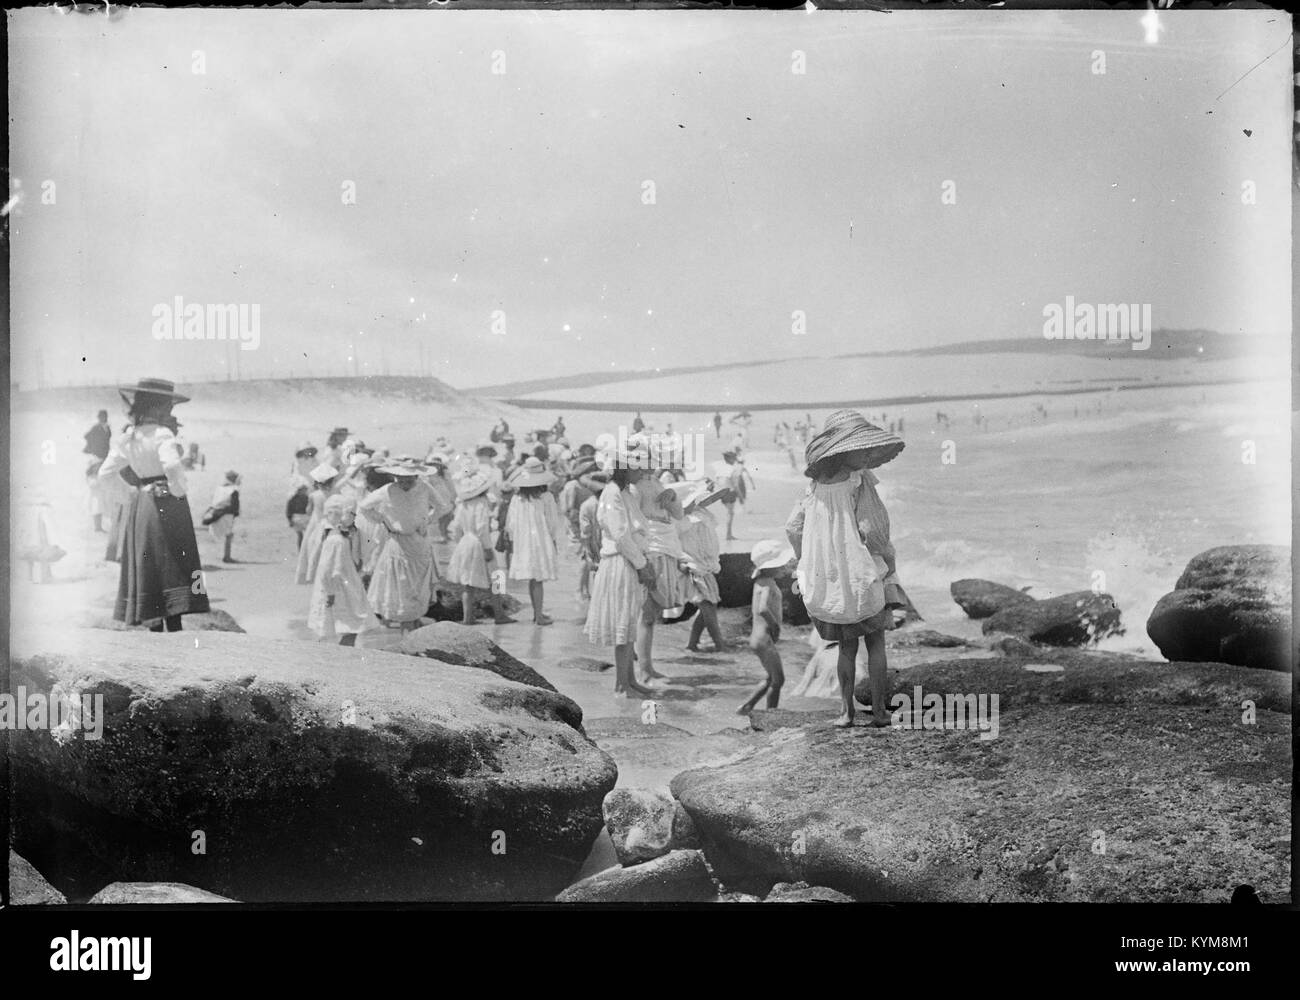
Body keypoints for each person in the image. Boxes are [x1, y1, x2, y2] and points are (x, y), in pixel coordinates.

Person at [785, 409, 906, 728]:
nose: (867, 454)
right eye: (862, 448)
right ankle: (879, 711)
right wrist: (889, 557)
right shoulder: (859, 480)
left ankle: (845, 712)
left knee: (846, 648)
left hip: (832, 578)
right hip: (861, 573)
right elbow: (872, 528)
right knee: (876, 643)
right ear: (844, 450)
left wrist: (803, 559)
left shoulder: (814, 486)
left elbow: (793, 527)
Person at [97, 378, 210, 631]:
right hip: (167, 502)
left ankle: (154, 626)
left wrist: (129, 494)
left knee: (148, 562)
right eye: (168, 405)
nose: (170, 411)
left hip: (143, 504)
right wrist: (177, 489)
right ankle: (175, 623)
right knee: (174, 561)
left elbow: (105, 473)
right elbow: (170, 465)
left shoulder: (129, 438)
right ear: (159, 406)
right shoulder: (162, 434)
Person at [584, 443, 659, 697]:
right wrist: (642, 565)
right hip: (620, 562)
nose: (642, 474)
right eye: (637, 469)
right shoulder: (612, 493)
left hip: (629, 560)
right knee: (622, 622)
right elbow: (620, 536)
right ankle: (621, 684)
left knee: (628, 622)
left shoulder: (625, 493)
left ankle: (629, 679)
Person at [359, 457, 440, 633]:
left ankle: (413, 629)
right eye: (400, 479)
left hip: (420, 542)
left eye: (409, 479)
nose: (404, 483)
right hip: (398, 542)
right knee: (401, 586)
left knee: (417, 587)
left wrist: (427, 520)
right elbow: (364, 506)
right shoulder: (387, 490)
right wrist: (383, 520)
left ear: (417, 477)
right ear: (394, 476)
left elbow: (442, 506)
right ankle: (407, 632)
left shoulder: (425, 488)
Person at [637, 482, 692, 680]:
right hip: (652, 551)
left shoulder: (656, 484)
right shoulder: (637, 487)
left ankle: (646, 666)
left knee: (650, 616)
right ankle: (644, 668)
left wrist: (673, 497)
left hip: (663, 548)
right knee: (647, 615)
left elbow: (678, 514)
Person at [445, 469, 513, 625]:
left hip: (465, 541)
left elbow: (455, 527)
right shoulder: (481, 503)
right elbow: (482, 528)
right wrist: (488, 548)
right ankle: (499, 614)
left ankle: (468, 617)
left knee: (468, 582)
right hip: (479, 542)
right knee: (496, 578)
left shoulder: (462, 504)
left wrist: (460, 541)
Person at [670, 481, 729, 652]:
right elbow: (675, 543)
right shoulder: (680, 521)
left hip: (705, 565)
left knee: (709, 605)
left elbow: (708, 540)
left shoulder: (702, 514)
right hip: (692, 566)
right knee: (707, 605)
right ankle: (720, 644)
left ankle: (692, 643)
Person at [737, 539, 794, 714]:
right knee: (779, 681)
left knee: (771, 678)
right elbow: (762, 609)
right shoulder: (768, 584)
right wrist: (775, 626)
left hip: (757, 638)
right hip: (764, 639)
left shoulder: (760, 582)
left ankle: (747, 707)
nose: (784, 569)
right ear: (771, 567)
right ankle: (771, 715)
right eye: (781, 565)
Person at [308, 495, 372, 647]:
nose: (355, 517)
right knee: (345, 624)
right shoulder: (335, 540)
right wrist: (330, 591)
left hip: (343, 584)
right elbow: (326, 568)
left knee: (342, 624)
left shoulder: (339, 535)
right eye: (352, 514)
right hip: (338, 587)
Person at [505, 457, 562, 626]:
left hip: (523, 541)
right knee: (538, 579)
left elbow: (511, 524)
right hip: (540, 540)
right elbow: (552, 522)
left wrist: (515, 542)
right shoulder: (546, 497)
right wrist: (553, 541)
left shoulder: (517, 498)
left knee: (532, 578)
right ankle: (538, 616)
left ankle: (537, 613)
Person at [295, 462, 342, 584]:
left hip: (316, 523)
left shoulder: (314, 495)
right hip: (331, 522)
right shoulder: (336, 493)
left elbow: (308, 511)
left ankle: (311, 574)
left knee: (312, 548)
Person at [576, 470, 609, 600]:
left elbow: (585, 531)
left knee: (597, 572)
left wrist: (586, 549)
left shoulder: (587, 505)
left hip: (595, 543)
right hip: (610, 543)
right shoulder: (612, 502)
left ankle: (597, 601)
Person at [83, 410, 112, 533]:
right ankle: (97, 526)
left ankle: (100, 525)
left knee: (102, 495)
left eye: (104, 417)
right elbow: (87, 436)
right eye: (101, 417)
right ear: (99, 418)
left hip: (103, 458)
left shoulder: (106, 428)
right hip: (97, 457)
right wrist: (92, 447)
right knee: (97, 494)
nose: (103, 419)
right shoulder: (97, 428)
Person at [207, 470, 241, 564]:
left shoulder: (219, 488)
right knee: (228, 535)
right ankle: (227, 556)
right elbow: (235, 506)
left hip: (216, 513)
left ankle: (225, 556)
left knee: (221, 534)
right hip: (226, 515)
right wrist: (235, 515)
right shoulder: (234, 490)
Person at [719, 450, 749, 541]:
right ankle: (728, 534)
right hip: (730, 492)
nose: (735, 460)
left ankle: (728, 534)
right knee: (730, 513)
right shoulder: (733, 469)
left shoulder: (721, 468)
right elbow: (735, 485)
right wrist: (740, 496)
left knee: (729, 512)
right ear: (730, 459)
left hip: (722, 492)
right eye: (733, 458)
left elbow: (718, 480)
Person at [286, 484, 311, 550]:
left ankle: (300, 550)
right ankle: (306, 550)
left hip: (296, 518)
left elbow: (289, 511)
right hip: (305, 518)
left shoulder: (292, 499)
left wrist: (290, 521)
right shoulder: (307, 498)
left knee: (300, 536)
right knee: (307, 535)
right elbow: (310, 510)